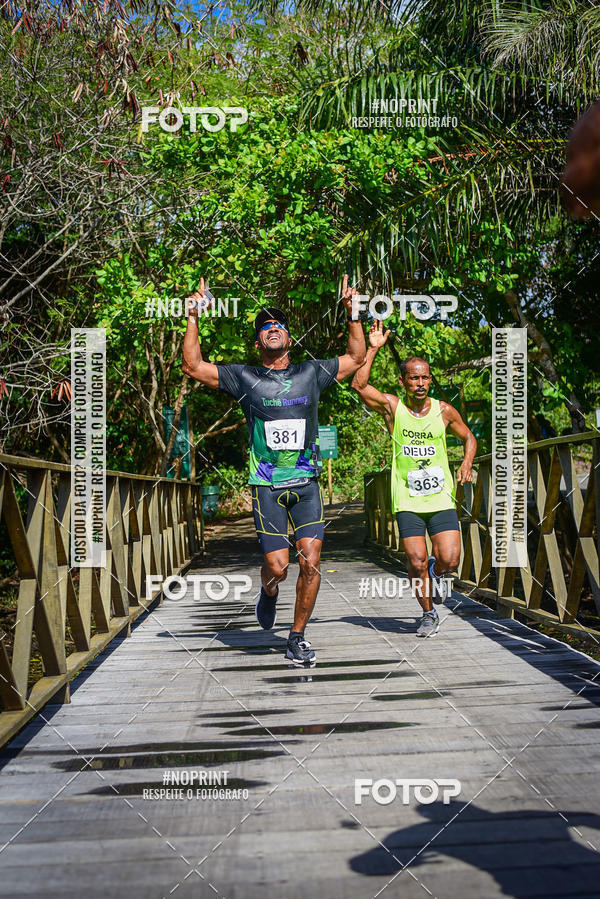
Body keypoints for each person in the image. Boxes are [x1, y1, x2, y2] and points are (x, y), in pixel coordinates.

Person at [182, 277, 366, 665]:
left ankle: (296, 637)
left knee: (311, 561)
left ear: (290, 338)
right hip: (266, 486)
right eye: (264, 326)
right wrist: (193, 316)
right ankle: (268, 591)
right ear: (258, 342)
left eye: (278, 324)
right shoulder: (245, 378)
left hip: (307, 484)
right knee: (278, 567)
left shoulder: (311, 373)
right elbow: (193, 366)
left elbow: (356, 357)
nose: (272, 328)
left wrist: (353, 314)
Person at [352, 320, 476, 637]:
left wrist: (467, 462)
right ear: (403, 381)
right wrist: (373, 348)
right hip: (407, 498)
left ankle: (436, 571)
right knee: (416, 560)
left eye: (425, 378)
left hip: (440, 497)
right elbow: (360, 386)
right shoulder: (393, 408)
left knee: (450, 560)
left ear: (430, 380)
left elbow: (468, 437)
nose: (420, 383)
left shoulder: (444, 411)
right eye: (414, 378)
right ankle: (428, 614)